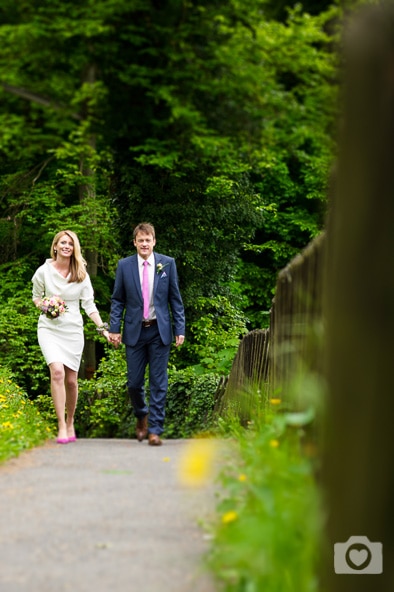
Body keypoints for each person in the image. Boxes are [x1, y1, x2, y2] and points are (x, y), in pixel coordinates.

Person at [109, 222, 185, 446]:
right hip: (134, 331)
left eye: (148, 240)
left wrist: (179, 328)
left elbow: (175, 299)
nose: (144, 244)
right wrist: (115, 328)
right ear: (135, 242)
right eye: (140, 240)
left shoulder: (167, 264)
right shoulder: (125, 266)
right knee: (133, 383)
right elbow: (117, 299)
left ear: (154, 241)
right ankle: (141, 415)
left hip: (159, 331)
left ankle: (155, 430)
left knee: (159, 382)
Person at [32, 230, 110, 444]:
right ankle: (60, 426)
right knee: (56, 372)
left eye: (70, 243)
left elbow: (89, 305)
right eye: (62, 243)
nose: (66, 246)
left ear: (74, 248)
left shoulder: (81, 274)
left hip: (73, 330)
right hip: (49, 328)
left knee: (72, 381)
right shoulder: (43, 272)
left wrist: (102, 327)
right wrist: (46, 305)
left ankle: (70, 420)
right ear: (55, 247)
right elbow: (36, 298)